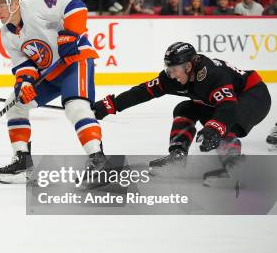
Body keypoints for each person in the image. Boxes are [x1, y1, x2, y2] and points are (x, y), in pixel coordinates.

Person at [0, 0, 105, 184]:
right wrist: (24, 84)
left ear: (15, 2)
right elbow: (24, 65)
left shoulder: (34, 5)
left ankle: (99, 162)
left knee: (76, 107)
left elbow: (75, 6)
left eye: (1, 3)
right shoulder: (6, 34)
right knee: (15, 104)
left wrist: (71, 35)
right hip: (48, 74)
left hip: (74, 61)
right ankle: (22, 160)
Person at [93, 42, 271, 168]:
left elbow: (228, 107)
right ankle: (177, 156)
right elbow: (143, 91)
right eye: (168, 69)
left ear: (188, 67)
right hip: (228, 102)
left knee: (222, 125)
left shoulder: (212, 75)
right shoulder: (172, 77)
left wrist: (214, 129)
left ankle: (233, 164)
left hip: (254, 95)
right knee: (184, 108)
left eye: (174, 70)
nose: (170, 75)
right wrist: (111, 105)